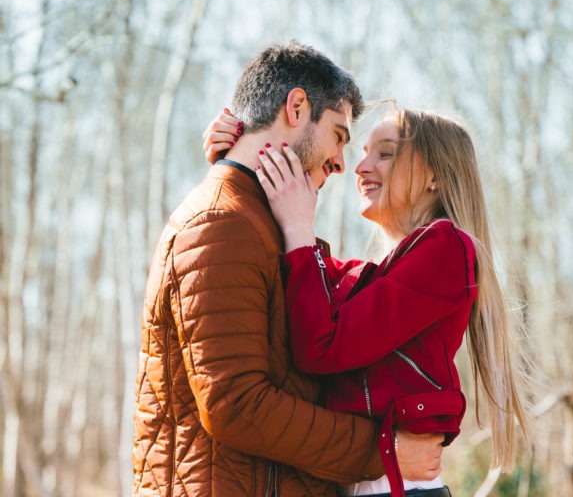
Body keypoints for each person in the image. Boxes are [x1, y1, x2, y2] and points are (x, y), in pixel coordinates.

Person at [133, 41, 444, 497]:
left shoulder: (257, 221)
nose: (342, 163)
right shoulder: (222, 224)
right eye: (339, 134)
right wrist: (385, 451)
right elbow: (235, 405)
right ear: (296, 107)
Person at [204, 108, 532, 496]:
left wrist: (298, 227)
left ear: (435, 176)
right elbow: (293, 272)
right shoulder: (378, 272)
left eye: (386, 153)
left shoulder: (447, 248)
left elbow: (319, 345)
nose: (360, 167)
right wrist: (238, 161)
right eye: (363, 152)